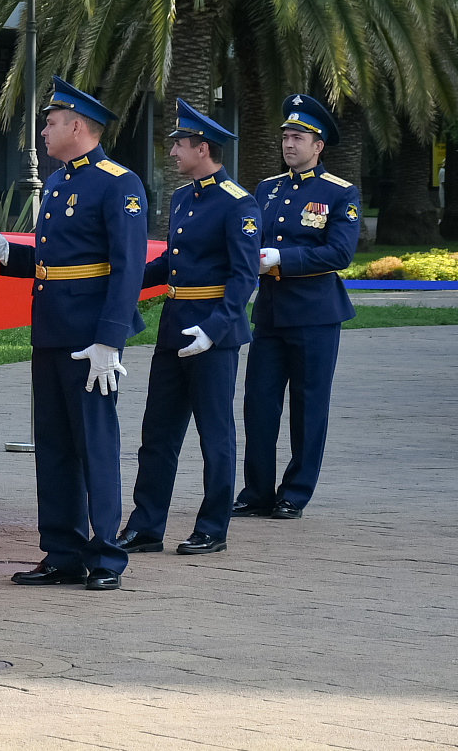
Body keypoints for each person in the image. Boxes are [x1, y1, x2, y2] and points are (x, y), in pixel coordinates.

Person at [0, 77, 148, 592]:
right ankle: (62, 551)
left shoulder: (119, 183)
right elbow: (57, 262)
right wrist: (12, 254)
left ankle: (106, 555)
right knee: (53, 446)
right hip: (51, 329)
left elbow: (127, 268)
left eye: (50, 123)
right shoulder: (55, 184)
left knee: (95, 445)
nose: (43, 133)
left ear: (78, 126)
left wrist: (110, 341)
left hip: (91, 337)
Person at [116, 100, 258, 558]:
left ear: (202, 147)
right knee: (157, 434)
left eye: (179, 143)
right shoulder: (182, 197)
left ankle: (212, 526)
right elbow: (170, 263)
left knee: (215, 435)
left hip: (213, 336)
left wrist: (215, 329)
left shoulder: (239, 203)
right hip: (175, 327)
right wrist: (122, 280)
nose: (172, 151)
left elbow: (244, 276)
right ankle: (146, 525)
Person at [237, 94, 360, 520]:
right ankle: (256, 491)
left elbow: (339, 254)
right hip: (270, 314)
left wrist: (281, 260)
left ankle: (295, 492)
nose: (289, 144)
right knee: (259, 403)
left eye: (299, 137)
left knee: (308, 407)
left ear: (318, 145)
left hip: (315, 315)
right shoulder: (267, 189)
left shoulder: (339, 192)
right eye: (286, 136)